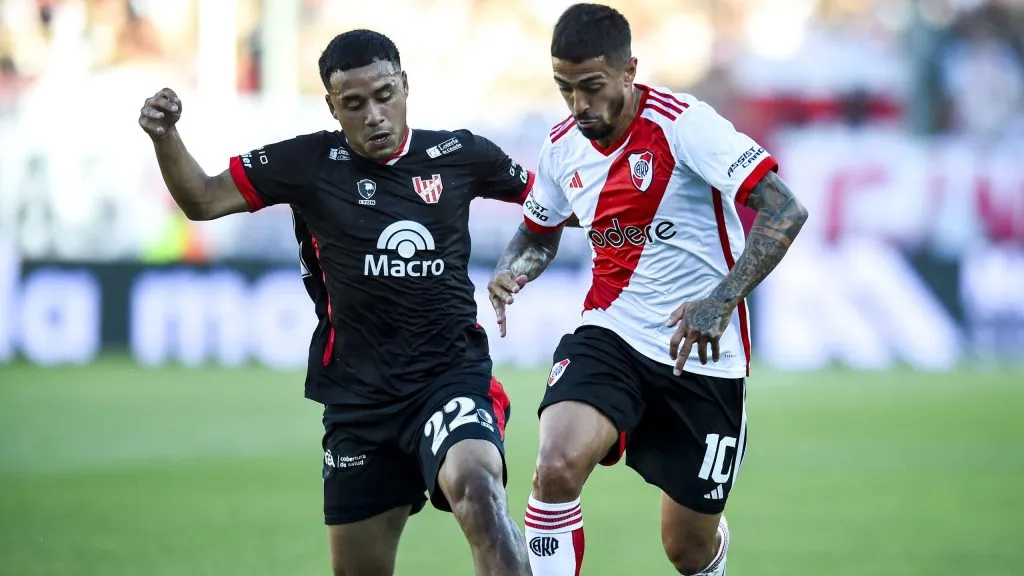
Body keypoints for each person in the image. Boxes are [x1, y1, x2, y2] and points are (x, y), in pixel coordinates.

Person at [138, 29, 535, 576]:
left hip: (449, 377)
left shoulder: (461, 154)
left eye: (384, 95)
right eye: (354, 104)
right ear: (332, 107)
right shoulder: (306, 163)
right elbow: (202, 199)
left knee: (478, 490)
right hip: (359, 399)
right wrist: (166, 137)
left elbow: (552, 204)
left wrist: (519, 259)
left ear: (404, 86)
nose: (374, 114)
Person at [488, 4, 809, 575]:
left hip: (702, 350)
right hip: (611, 331)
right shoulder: (561, 146)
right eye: (565, 89)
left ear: (629, 69)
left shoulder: (685, 124)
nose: (579, 105)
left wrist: (721, 299)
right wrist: (514, 266)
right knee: (555, 464)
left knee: (685, 549)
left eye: (592, 87)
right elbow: (537, 234)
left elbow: (785, 209)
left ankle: (712, 547)